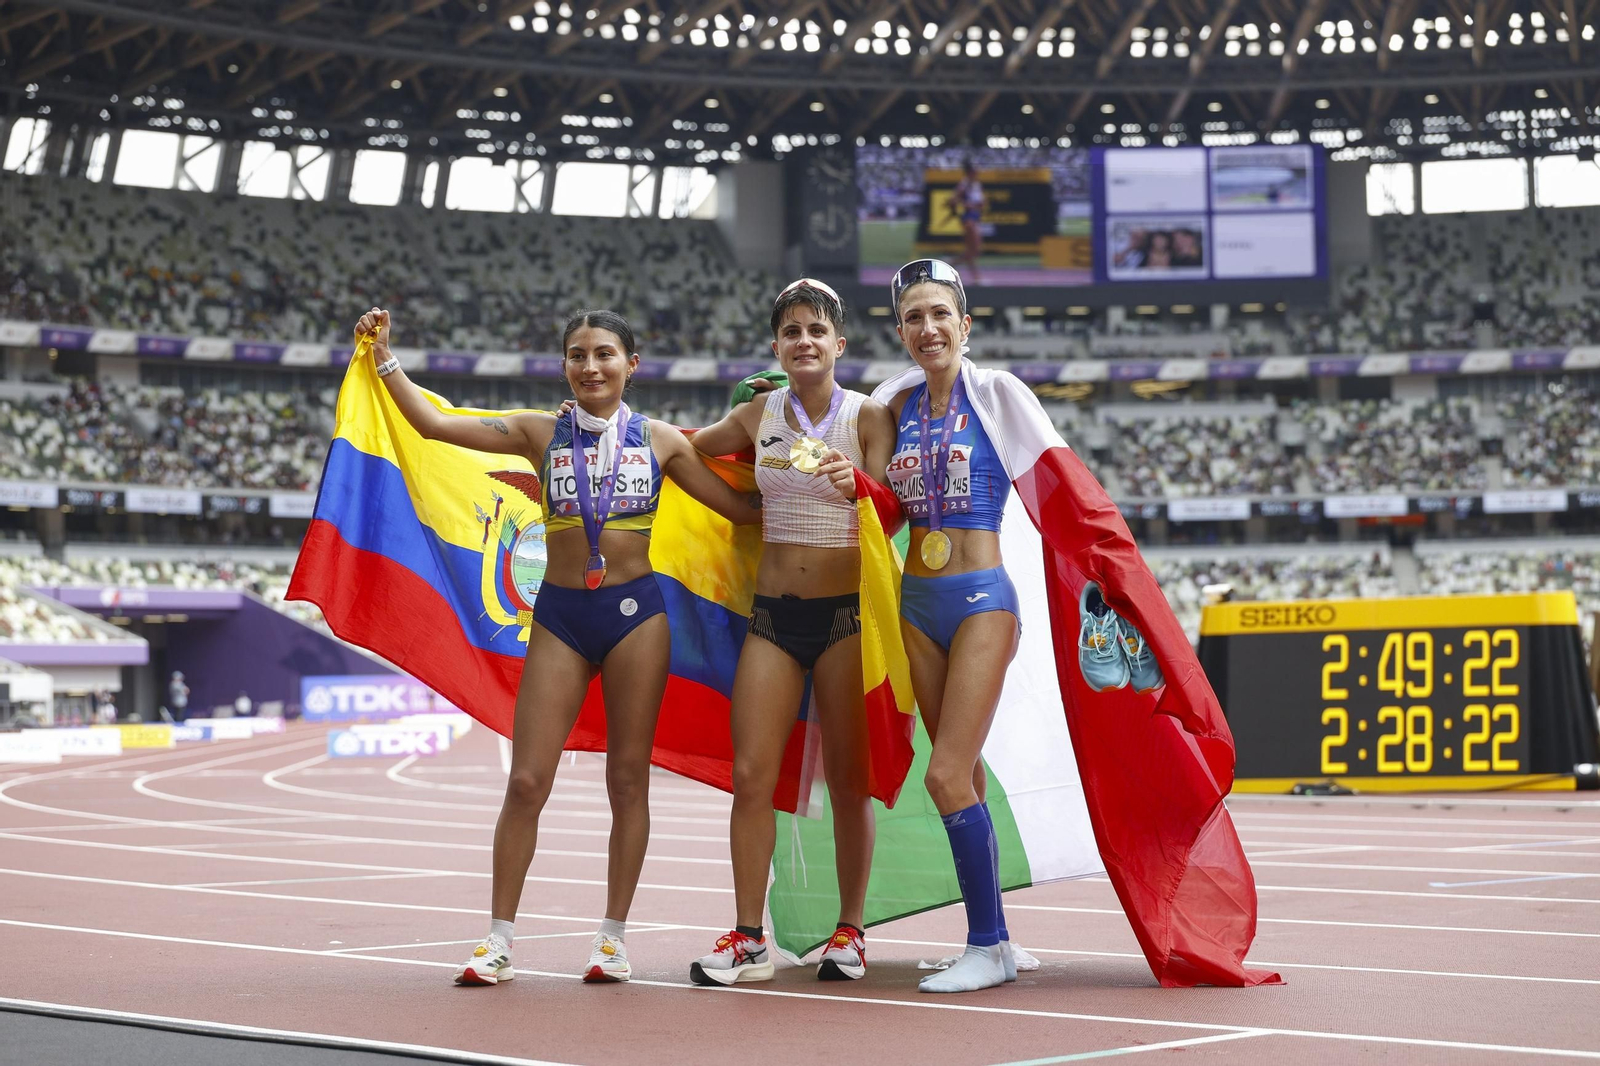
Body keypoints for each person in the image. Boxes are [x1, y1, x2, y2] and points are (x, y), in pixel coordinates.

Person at [352, 306, 761, 987]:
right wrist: (384, 358)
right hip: (563, 617)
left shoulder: (661, 442)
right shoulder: (538, 433)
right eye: (578, 354)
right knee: (527, 780)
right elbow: (432, 424)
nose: (591, 365)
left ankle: (611, 939)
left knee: (627, 781)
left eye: (605, 353)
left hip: (636, 617)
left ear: (631, 365)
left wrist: (796, 463)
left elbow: (740, 511)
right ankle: (498, 940)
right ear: (565, 365)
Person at [872, 259, 1166, 993]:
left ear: (965, 326)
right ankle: (995, 934)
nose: (928, 328)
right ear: (900, 331)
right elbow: (871, 498)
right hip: (916, 608)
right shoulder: (890, 404)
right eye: (914, 317)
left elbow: (1064, 488)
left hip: (981, 601)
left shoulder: (1000, 395)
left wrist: (1110, 579)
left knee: (942, 775)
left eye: (941, 314)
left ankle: (987, 946)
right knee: (963, 772)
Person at [679, 279, 895, 985]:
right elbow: (690, 452)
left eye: (817, 330)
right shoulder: (756, 414)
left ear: (839, 344)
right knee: (751, 777)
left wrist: (857, 486)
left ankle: (850, 932)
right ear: (776, 346)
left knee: (848, 783)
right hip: (772, 618)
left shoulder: (868, 417)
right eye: (792, 331)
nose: (805, 340)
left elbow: (892, 514)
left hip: (844, 622)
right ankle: (748, 940)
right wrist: (633, 435)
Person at [948, 161, 985, 284]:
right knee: (973, 249)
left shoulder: (976, 184)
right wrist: (964, 206)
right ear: (970, 172)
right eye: (975, 171)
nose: (977, 173)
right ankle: (976, 277)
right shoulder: (965, 184)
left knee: (972, 250)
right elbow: (953, 200)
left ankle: (951, 265)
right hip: (969, 219)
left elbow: (980, 203)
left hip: (975, 217)